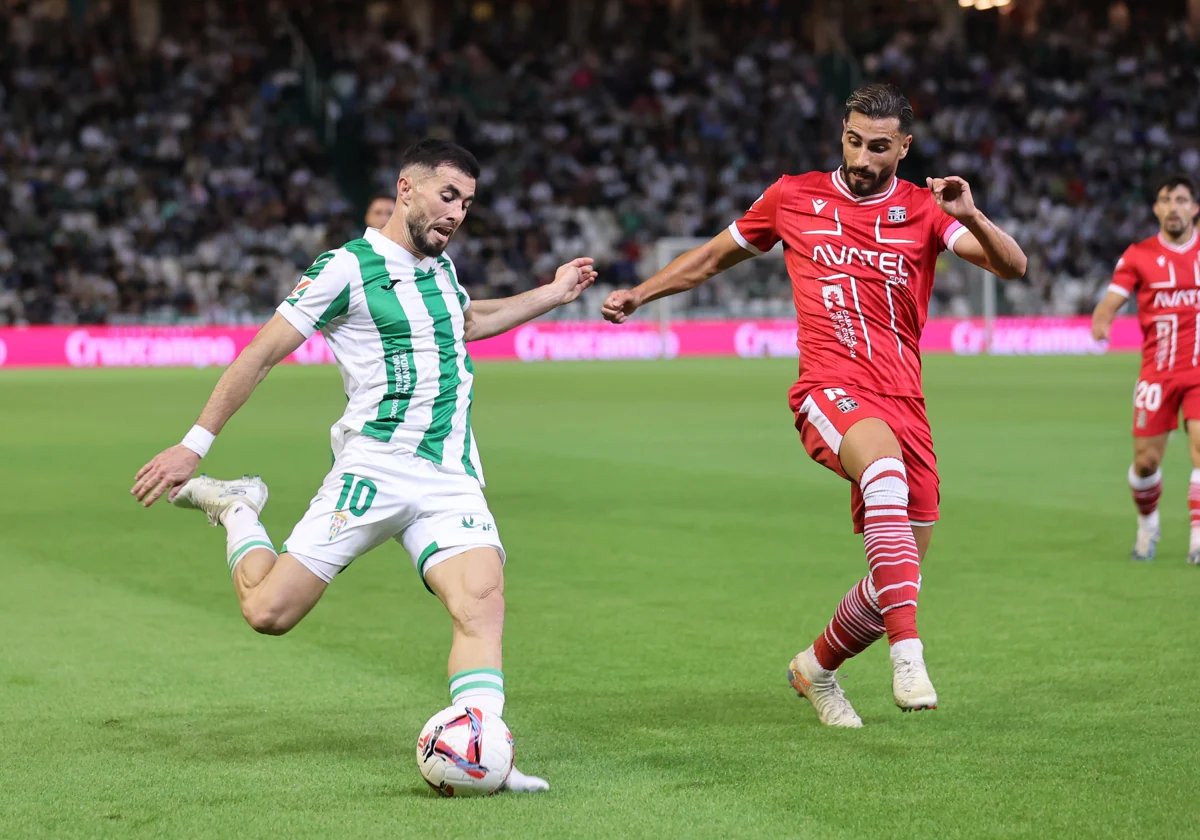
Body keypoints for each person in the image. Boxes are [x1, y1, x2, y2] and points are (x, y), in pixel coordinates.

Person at [131, 140, 597, 789]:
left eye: (466, 202)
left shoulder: (442, 268)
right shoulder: (345, 269)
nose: (458, 213)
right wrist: (194, 444)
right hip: (373, 469)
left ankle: (485, 754)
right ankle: (238, 508)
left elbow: (465, 321)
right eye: (447, 196)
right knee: (270, 613)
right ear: (406, 189)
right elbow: (260, 355)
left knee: (481, 600)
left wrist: (552, 293)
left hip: (448, 473)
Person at [601, 84, 1026, 728]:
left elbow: (1012, 266)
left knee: (898, 576)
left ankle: (816, 668)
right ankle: (908, 656)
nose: (861, 156)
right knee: (882, 477)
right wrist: (641, 293)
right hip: (831, 388)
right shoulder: (792, 196)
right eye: (853, 140)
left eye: (878, 147)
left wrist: (971, 214)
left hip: (905, 398)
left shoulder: (924, 209)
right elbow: (713, 258)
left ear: (903, 148)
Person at [1091, 175, 1200, 564]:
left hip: (1199, 372)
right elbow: (1112, 299)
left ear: (1195, 208)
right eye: (1166, 200)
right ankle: (1148, 524)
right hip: (1157, 372)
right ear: (1156, 208)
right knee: (1146, 463)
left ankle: (1197, 540)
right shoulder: (1138, 255)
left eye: (1182, 200)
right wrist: (1102, 318)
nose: (1174, 207)